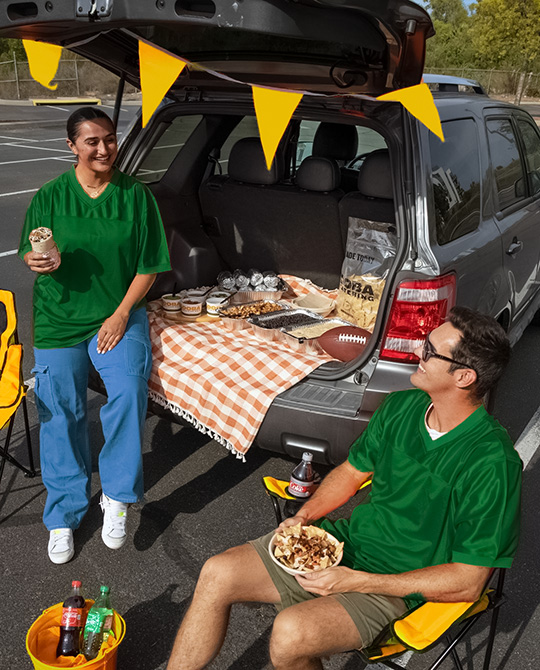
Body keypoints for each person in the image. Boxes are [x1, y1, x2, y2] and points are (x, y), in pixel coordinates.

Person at [166, 306, 522, 670]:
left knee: (290, 634)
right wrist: (304, 516)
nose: (417, 352)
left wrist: (357, 581)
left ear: (463, 377)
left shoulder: (491, 462)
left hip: (398, 586)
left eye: (430, 352)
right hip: (343, 548)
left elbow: (467, 581)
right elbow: (351, 472)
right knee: (217, 573)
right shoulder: (401, 406)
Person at [18, 107, 171, 564]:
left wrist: (123, 314)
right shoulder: (50, 196)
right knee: (59, 408)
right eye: (92, 142)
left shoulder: (136, 196)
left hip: (116, 316)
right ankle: (64, 513)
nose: (103, 149)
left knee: (125, 393)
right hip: (60, 318)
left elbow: (149, 266)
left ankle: (118, 498)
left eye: (109, 139)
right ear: (72, 146)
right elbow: (31, 251)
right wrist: (36, 260)